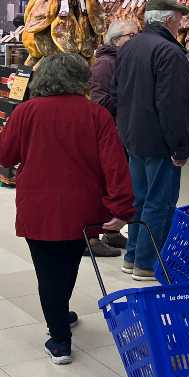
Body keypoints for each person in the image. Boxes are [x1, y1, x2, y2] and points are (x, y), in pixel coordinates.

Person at [0, 53, 135, 364]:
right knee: (68, 264)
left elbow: (3, 155)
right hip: (82, 206)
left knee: (47, 271)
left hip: (37, 204)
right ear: (82, 80)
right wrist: (122, 208)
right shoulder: (96, 115)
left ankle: (59, 338)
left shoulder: (25, 111)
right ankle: (60, 314)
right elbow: (115, 165)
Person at [113, 0, 189, 281]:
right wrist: (179, 146)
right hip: (160, 142)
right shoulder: (170, 52)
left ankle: (133, 255)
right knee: (159, 203)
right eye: (179, 18)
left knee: (140, 199)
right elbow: (172, 104)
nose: (181, 24)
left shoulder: (129, 47)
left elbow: (118, 93)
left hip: (133, 137)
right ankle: (147, 264)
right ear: (169, 19)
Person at [85, 17, 141, 257]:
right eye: (132, 36)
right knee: (102, 185)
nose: (136, 39)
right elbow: (100, 101)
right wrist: (128, 97)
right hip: (107, 133)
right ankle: (92, 236)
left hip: (119, 130)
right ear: (117, 40)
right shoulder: (106, 64)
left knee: (115, 184)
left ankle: (111, 231)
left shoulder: (122, 61)